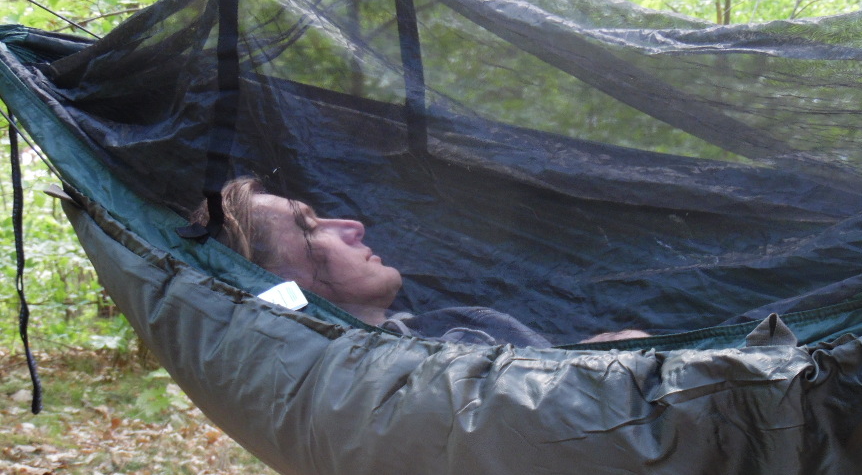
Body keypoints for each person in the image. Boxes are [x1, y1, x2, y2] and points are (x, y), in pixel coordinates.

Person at [192, 178, 647, 345]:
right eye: (311, 227)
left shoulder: (434, 338)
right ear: (278, 280)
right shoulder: (399, 375)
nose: (352, 226)